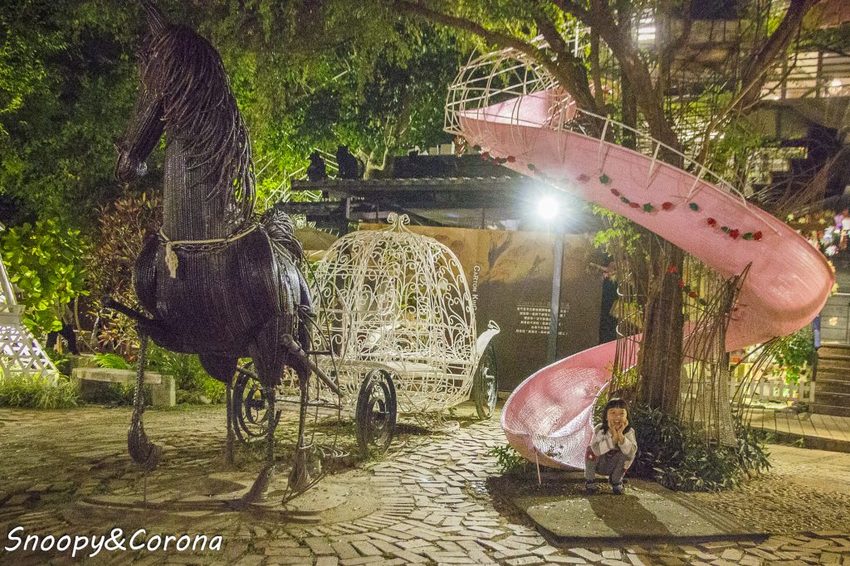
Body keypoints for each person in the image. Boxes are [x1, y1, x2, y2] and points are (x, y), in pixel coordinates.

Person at [585, 397, 637, 495]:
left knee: (628, 452)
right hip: (599, 464)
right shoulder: (600, 429)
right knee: (590, 449)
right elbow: (596, 450)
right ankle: (590, 481)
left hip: (616, 467)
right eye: (613, 413)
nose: (617, 417)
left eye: (621, 413)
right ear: (606, 416)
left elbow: (631, 453)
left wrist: (620, 435)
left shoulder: (629, 432)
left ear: (626, 417)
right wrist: (613, 438)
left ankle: (616, 481)